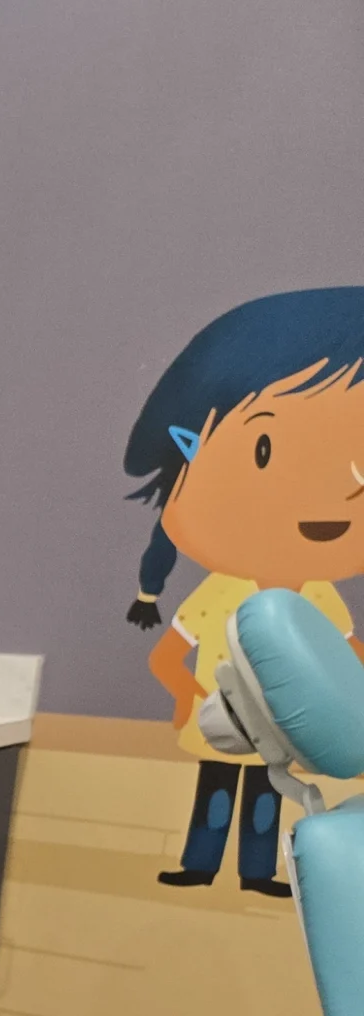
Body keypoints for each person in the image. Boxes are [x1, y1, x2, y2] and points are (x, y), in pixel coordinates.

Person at [123, 287, 364, 896]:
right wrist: (186, 700)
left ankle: (257, 873)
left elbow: (346, 658)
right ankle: (200, 864)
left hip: (284, 741)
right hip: (218, 728)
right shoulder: (218, 593)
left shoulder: (318, 599)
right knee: (214, 799)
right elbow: (166, 655)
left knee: (265, 805)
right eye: (266, 451)